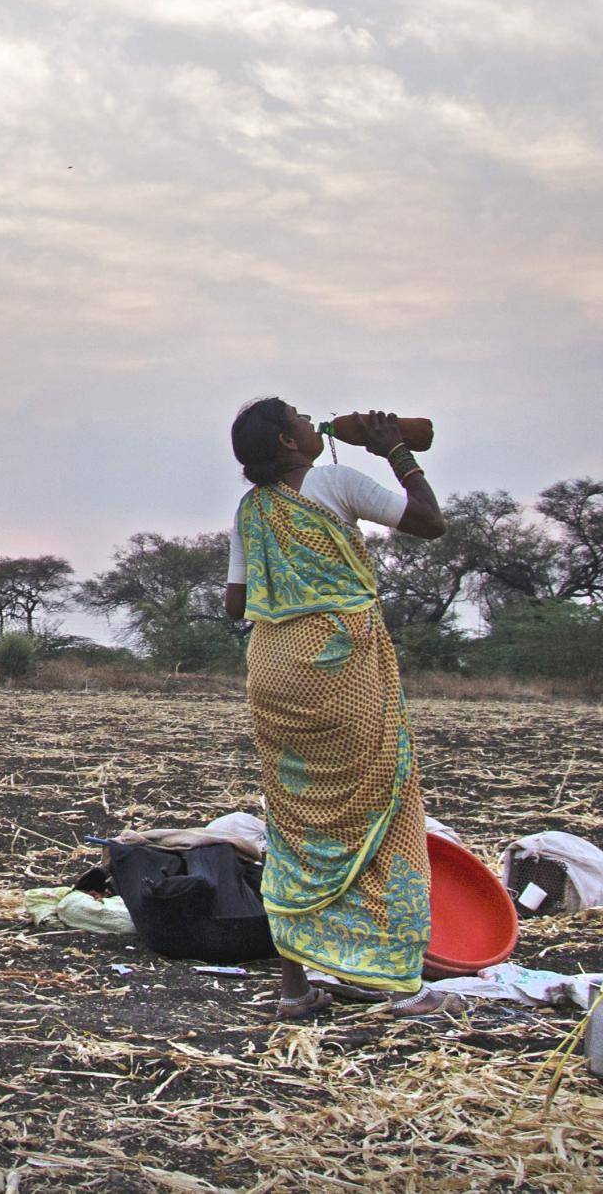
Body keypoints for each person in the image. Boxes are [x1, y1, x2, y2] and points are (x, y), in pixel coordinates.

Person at [224, 399, 448, 1019]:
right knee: (385, 805)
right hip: (340, 666)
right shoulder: (334, 481)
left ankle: (294, 990)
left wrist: (286, 586)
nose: (310, 419)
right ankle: (399, 981)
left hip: (273, 670)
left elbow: (235, 604)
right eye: (299, 415)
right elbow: (430, 522)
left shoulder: (251, 510)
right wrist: (394, 450)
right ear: (289, 442)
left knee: (292, 821)